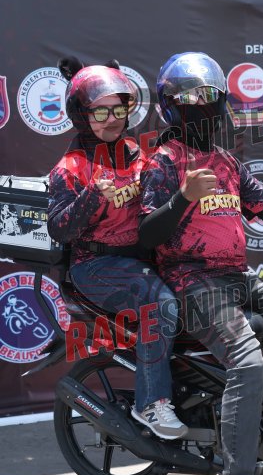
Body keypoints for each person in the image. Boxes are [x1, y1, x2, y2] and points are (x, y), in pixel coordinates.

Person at [138, 51, 263, 475]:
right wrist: (184, 197)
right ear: (171, 107)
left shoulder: (227, 161)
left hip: (237, 276)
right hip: (191, 281)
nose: (203, 106)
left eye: (210, 98)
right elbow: (148, 235)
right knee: (247, 359)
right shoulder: (164, 163)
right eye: (192, 100)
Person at [47, 57, 186, 440]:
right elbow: (59, 228)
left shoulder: (138, 154)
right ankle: (151, 403)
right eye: (101, 111)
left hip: (142, 261)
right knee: (160, 305)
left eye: (119, 109)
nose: (112, 119)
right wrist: (92, 196)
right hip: (96, 266)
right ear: (82, 115)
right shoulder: (70, 167)